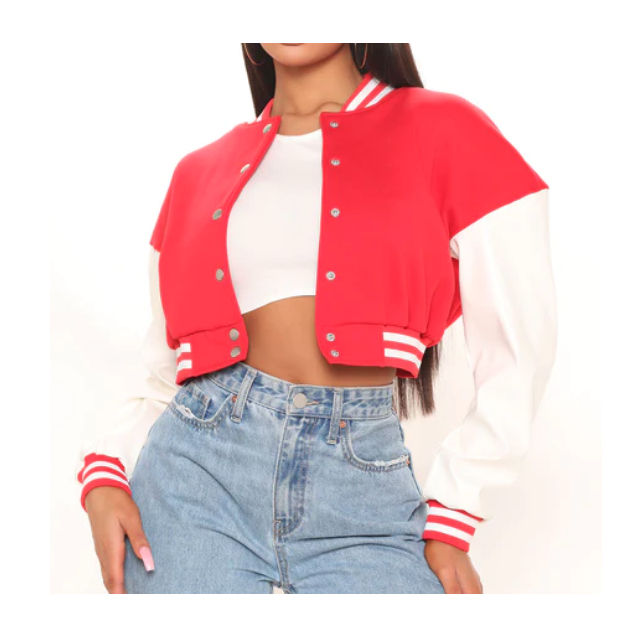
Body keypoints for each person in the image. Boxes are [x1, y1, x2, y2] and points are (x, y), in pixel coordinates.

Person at [75, 43, 557, 594]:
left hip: (363, 484)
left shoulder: (447, 130)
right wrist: (105, 472)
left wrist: (457, 507)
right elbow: (166, 371)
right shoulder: (198, 172)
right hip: (194, 475)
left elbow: (521, 344)